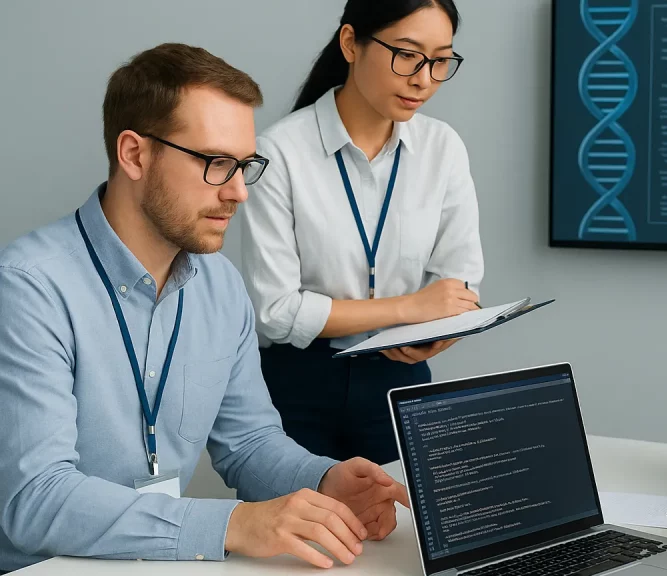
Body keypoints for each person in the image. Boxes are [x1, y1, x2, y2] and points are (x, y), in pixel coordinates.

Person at [0, 43, 410, 573]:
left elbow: (250, 443)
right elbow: (35, 500)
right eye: (217, 163)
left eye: (245, 165)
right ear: (134, 154)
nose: (239, 191)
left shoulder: (220, 285)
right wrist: (234, 524)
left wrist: (324, 480)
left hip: (165, 562)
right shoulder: (28, 287)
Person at [237, 0, 483, 466]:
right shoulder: (279, 152)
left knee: (410, 533)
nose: (424, 79)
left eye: (441, 60)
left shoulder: (442, 148)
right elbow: (276, 311)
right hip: (298, 385)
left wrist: (443, 328)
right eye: (407, 55)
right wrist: (410, 308)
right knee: (301, 536)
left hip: (401, 381)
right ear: (351, 43)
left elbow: (460, 281)